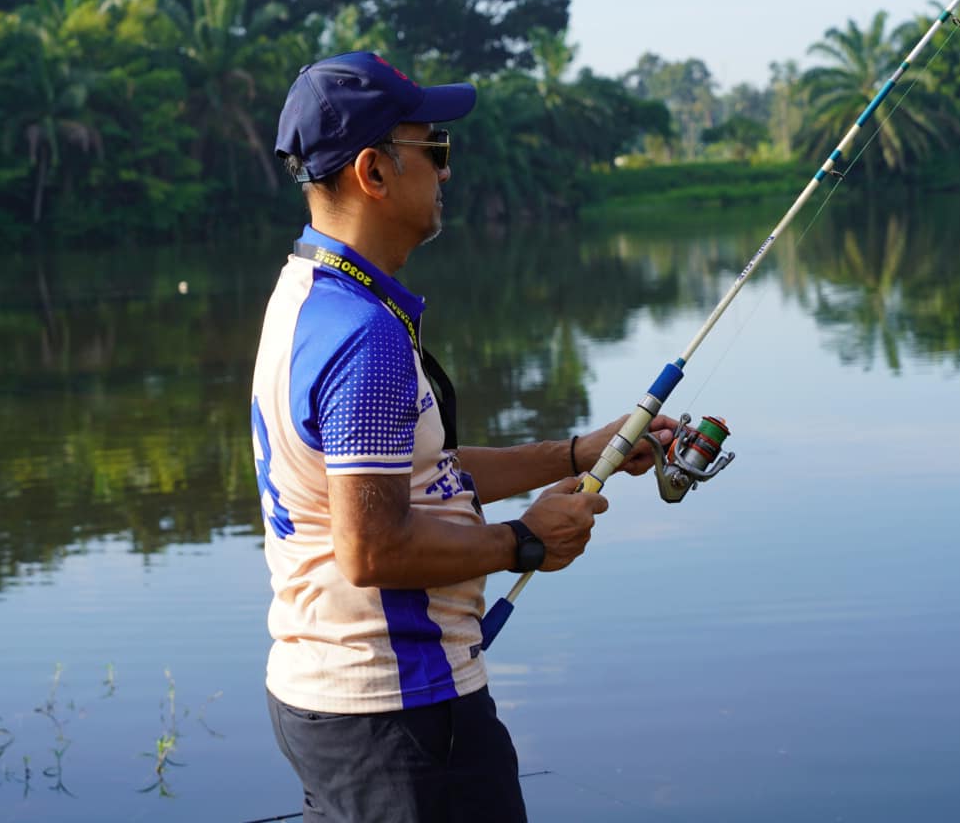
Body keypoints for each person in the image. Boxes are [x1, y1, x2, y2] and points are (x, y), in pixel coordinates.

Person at [250, 51, 677, 822]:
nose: (446, 171)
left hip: (337, 704)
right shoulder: (363, 338)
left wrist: (581, 454)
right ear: (375, 172)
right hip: (399, 720)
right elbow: (372, 548)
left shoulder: (309, 296)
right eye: (433, 149)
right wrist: (523, 542)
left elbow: (421, 476)